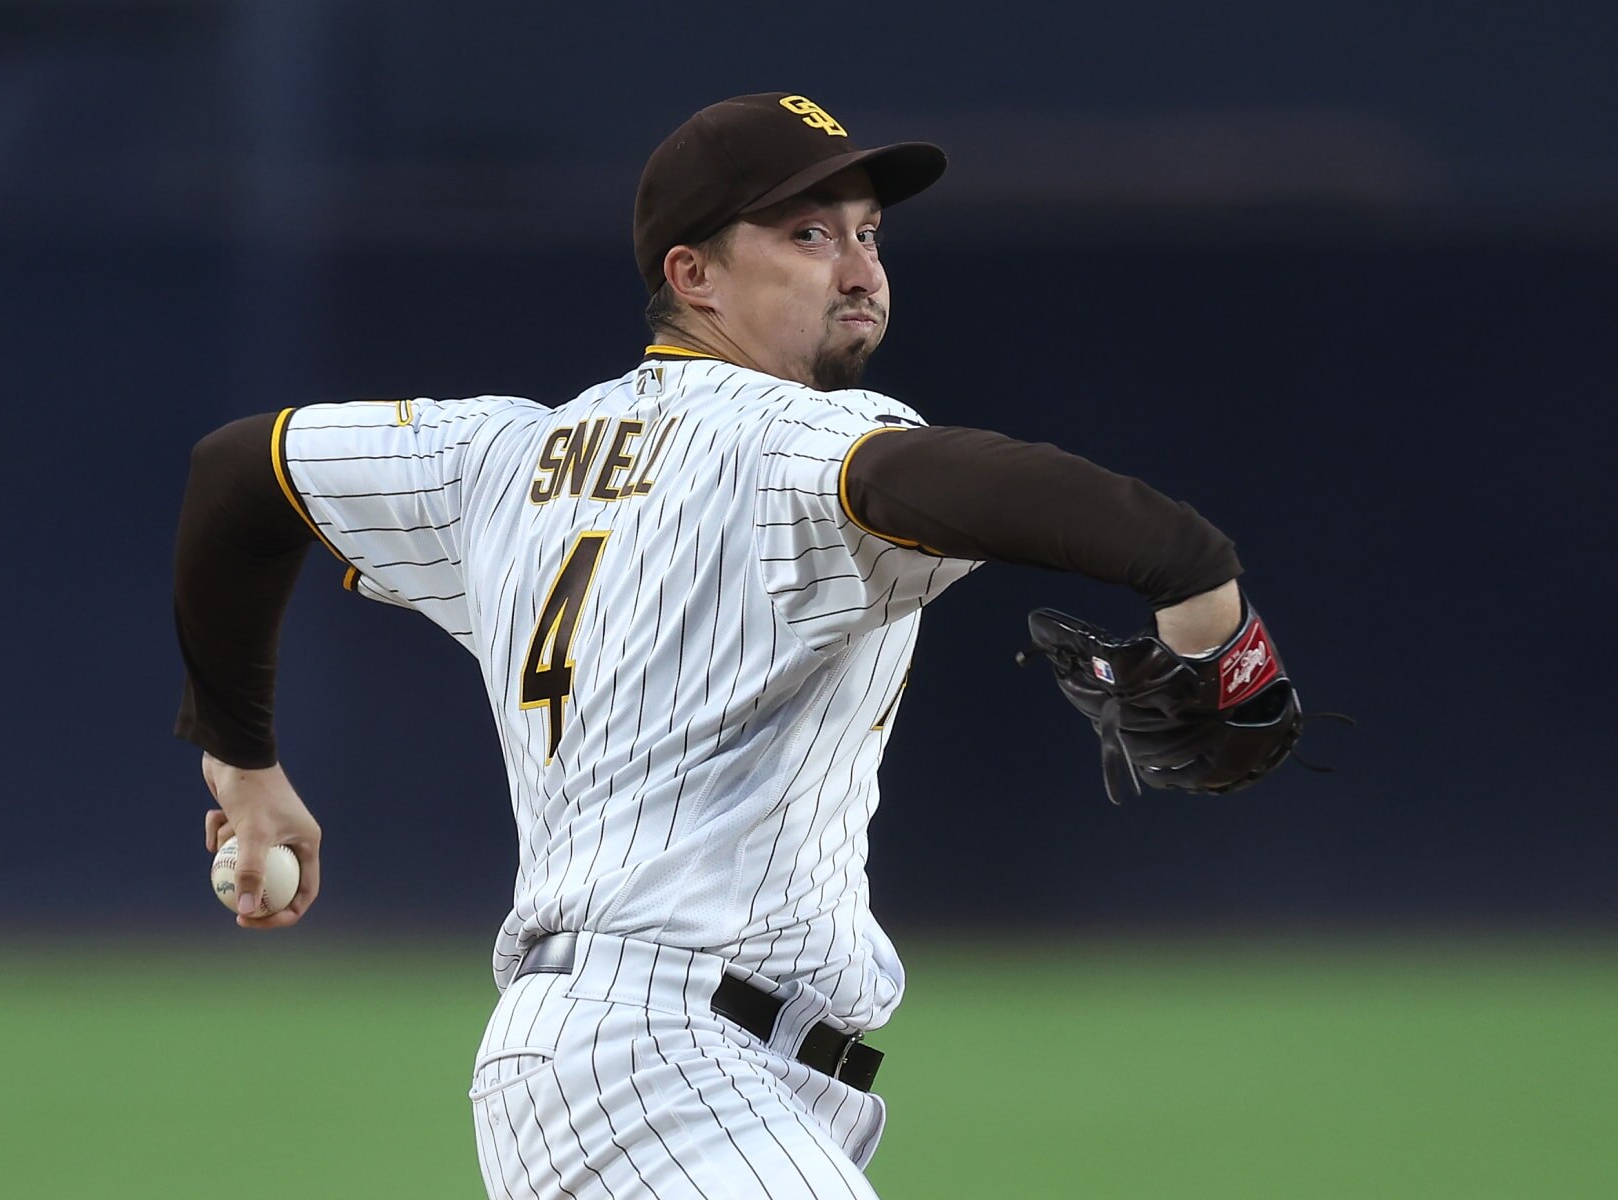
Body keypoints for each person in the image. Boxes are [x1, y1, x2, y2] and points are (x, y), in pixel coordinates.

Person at [173, 92, 1251, 1199]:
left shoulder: (501, 459)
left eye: (869, 233)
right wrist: (1205, 591)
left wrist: (242, 768)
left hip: (670, 1071)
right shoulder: (798, 441)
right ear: (693, 277)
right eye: (808, 234)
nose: (860, 268)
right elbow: (997, 492)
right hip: (658, 1067)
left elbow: (238, 471)